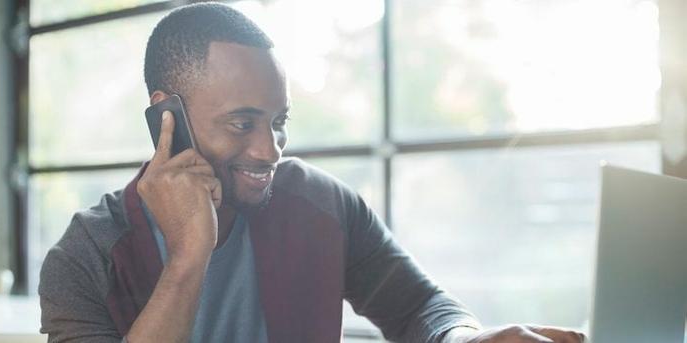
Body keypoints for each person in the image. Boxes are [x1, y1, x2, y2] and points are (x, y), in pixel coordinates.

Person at [39, 3, 585, 343]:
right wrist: (188, 258)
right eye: (242, 123)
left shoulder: (321, 204)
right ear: (167, 116)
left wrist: (467, 339)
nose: (270, 149)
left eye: (279, 123)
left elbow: (420, 306)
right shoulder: (83, 255)